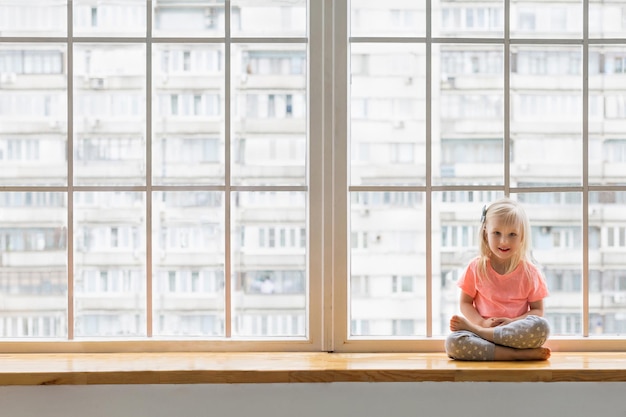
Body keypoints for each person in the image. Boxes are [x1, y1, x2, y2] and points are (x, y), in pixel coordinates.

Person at [445, 197, 551, 361]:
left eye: (512, 234)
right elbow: (465, 303)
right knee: (453, 343)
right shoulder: (476, 267)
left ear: (522, 236)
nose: (504, 241)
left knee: (541, 327)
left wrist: (512, 322)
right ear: (486, 232)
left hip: (514, 335)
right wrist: (481, 323)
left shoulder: (530, 272)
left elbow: (537, 311)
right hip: (483, 336)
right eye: (497, 233)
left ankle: (496, 347)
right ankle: (515, 355)